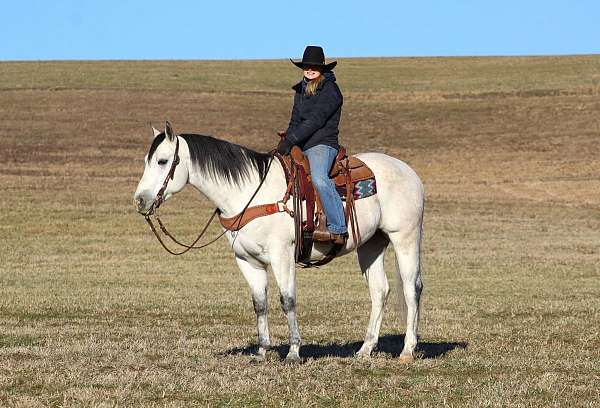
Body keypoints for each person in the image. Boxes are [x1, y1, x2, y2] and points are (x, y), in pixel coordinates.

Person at [277, 45, 347, 244]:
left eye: (314, 66)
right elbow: (295, 120)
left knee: (318, 177)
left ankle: (338, 226)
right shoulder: (300, 90)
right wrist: (286, 140)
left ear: (322, 68)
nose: (309, 69)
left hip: (322, 143)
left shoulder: (331, 91)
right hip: (301, 142)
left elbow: (316, 120)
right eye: (306, 66)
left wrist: (292, 139)